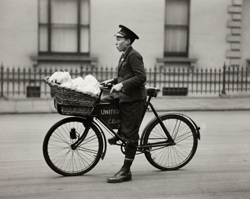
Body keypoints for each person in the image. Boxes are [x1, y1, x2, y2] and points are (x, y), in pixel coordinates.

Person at [102, 25, 147, 183]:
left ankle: (126, 171)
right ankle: (121, 132)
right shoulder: (124, 55)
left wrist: (122, 85)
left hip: (134, 100)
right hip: (125, 96)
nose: (116, 43)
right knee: (103, 102)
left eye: (118, 39)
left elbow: (141, 77)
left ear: (128, 41)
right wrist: (112, 81)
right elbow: (124, 76)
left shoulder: (134, 55)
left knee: (131, 135)